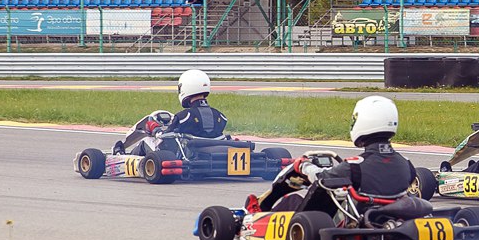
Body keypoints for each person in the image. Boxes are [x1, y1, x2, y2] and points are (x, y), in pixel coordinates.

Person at [255, 95, 416, 210]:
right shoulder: (407, 165)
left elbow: (321, 178)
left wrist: (304, 166)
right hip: (387, 216)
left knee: (292, 201)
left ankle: (255, 218)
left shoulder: (354, 167)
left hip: (353, 218)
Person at [167, 68, 228, 138]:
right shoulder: (221, 117)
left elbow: (166, 135)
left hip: (190, 145)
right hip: (218, 144)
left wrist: (158, 130)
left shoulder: (183, 117)